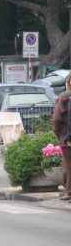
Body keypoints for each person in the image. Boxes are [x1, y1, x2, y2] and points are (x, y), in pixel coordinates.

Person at [52, 72, 71, 201]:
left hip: (66, 137)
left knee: (68, 166)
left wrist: (57, 133)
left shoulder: (64, 96)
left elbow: (57, 118)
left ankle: (69, 191)